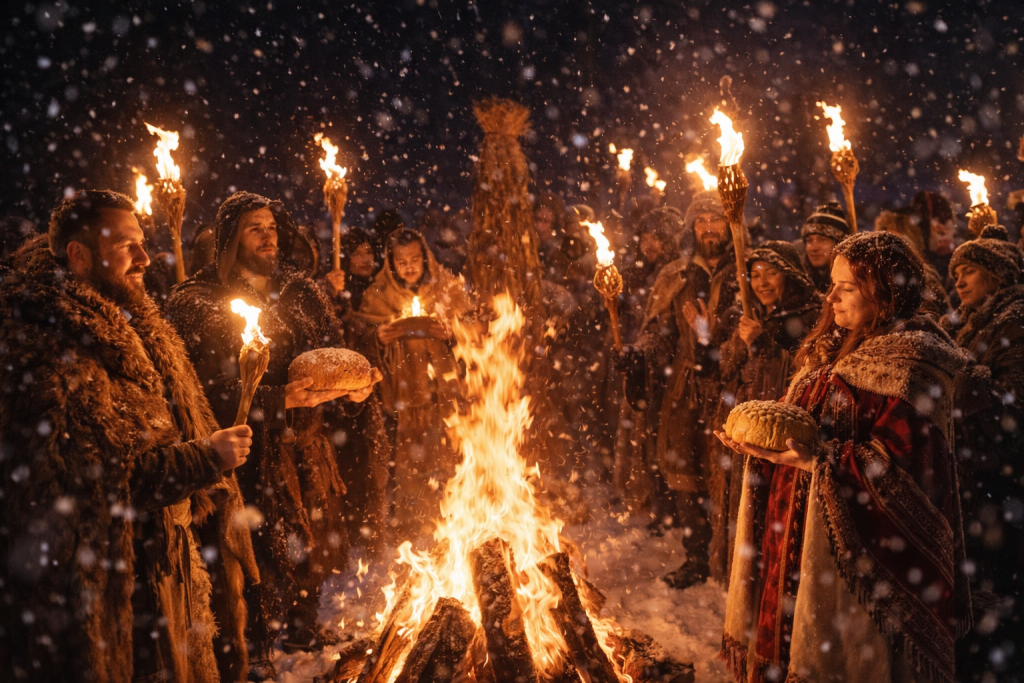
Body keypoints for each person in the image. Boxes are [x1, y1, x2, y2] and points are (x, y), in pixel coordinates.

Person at [0, 190, 254, 682]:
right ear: (78, 255)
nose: (144, 257)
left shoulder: (130, 320)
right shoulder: (48, 345)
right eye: (126, 245)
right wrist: (204, 458)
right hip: (109, 583)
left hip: (164, 571)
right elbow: (94, 481)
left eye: (143, 243)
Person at [718, 231, 969, 683]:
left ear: (885, 291)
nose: (830, 295)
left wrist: (821, 463)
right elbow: (800, 423)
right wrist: (764, 444)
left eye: (847, 287)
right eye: (833, 283)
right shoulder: (830, 346)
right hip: (794, 538)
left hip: (852, 566)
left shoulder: (913, 365)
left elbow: (900, 472)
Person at [166, 191, 377, 676]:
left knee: (312, 538)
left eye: (271, 227)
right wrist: (276, 398)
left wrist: (354, 388)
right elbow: (200, 386)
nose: (268, 236)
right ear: (229, 239)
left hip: (306, 442)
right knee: (254, 550)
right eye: (254, 228)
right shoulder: (200, 301)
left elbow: (332, 355)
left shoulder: (300, 292)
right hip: (249, 448)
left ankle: (304, 624)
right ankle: (254, 644)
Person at [625, 189, 742, 589]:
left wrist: (716, 339)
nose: (709, 229)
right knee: (684, 473)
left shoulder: (746, 269)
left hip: (732, 387)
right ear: (692, 228)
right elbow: (663, 331)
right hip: (686, 388)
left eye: (716, 221)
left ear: (730, 224)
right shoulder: (677, 274)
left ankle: (733, 559)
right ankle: (696, 558)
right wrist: (641, 353)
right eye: (701, 222)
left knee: (729, 474)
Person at [705, 241, 821, 586]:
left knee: (771, 512)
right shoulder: (748, 315)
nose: (762, 282)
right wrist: (730, 341)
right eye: (755, 274)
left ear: (791, 276)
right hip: (746, 429)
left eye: (772, 273)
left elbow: (805, 371)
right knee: (740, 504)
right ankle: (738, 578)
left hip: (781, 439)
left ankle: (768, 583)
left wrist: (765, 344)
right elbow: (723, 368)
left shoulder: (810, 317)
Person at [941, 225, 1024, 681]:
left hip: (1000, 484)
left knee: (997, 591)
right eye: (955, 273)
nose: (958, 281)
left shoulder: (1015, 323)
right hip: (976, 478)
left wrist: (963, 378)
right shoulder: (976, 323)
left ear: (995, 275)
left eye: (968, 271)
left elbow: (1013, 407)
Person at [357, 228, 475, 535]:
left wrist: (452, 333)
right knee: (409, 466)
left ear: (425, 257)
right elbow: (359, 334)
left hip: (444, 395)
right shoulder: (378, 294)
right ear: (390, 262)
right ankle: (415, 528)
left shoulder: (446, 287)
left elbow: (475, 329)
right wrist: (379, 337)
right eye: (401, 261)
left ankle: (456, 522)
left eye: (414, 259)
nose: (409, 266)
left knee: (449, 458)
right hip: (402, 398)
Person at [612, 207, 687, 511]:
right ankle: (646, 497)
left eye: (657, 237)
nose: (649, 244)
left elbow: (666, 324)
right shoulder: (636, 273)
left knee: (663, 440)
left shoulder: (676, 273)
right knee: (639, 434)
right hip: (640, 359)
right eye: (644, 237)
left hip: (668, 365)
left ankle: (665, 506)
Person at [874, 208, 952, 319]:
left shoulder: (924, 281)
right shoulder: (876, 279)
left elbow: (935, 321)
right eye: (883, 239)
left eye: (894, 239)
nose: (886, 246)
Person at [799, 201, 851, 294]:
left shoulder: (852, 283)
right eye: (809, 240)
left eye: (822, 240)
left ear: (839, 244)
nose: (814, 248)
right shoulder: (798, 285)